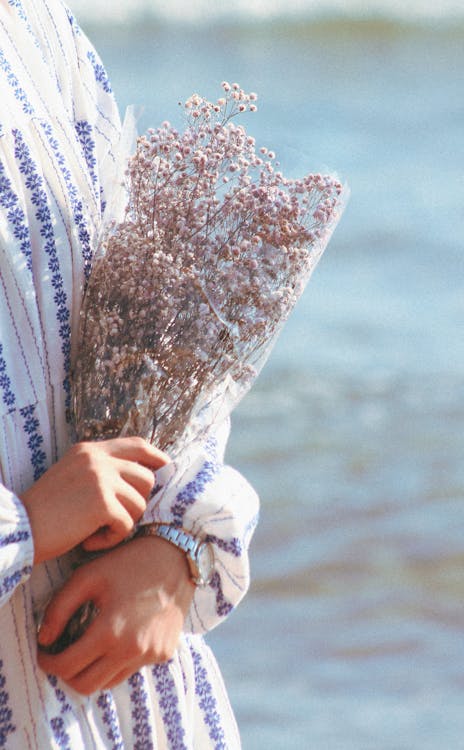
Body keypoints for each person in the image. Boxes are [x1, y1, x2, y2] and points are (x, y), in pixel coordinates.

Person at [0, 0, 259, 747]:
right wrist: (29, 526)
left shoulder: (36, 26)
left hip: (134, 700)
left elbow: (148, 308)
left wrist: (176, 544)